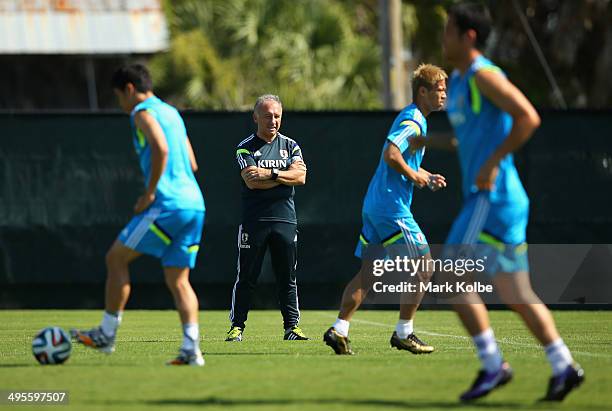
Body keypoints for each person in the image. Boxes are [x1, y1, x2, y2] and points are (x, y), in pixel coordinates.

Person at [426, 2, 584, 401]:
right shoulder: (460, 82)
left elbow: (528, 116)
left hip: (491, 199)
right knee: (516, 292)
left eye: (449, 30)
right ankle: (564, 365)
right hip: (502, 201)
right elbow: (469, 139)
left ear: (469, 36)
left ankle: (493, 365)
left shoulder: (482, 75)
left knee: (448, 274)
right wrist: (427, 141)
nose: (443, 38)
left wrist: (494, 161)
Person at [71, 64, 206, 366]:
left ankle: (106, 334)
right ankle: (191, 349)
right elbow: (193, 163)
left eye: (119, 97)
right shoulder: (172, 112)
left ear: (130, 89)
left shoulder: (142, 113)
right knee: (179, 280)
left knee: (115, 258)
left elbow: (160, 148)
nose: (121, 104)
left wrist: (149, 193)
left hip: (167, 205)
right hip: (195, 204)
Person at [323, 64, 448, 355]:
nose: (443, 95)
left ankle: (339, 329)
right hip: (391, 208)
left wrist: (423, 175)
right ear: (422, 92)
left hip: (375, 206)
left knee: (369, 273)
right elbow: (391, 154)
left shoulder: (414, 118)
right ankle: (404, 333)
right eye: (439, 90)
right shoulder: (415, 120)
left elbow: (402, 159)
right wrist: (415, 176)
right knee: (425, 266)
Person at [227, 94, 308, 342]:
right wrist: (284, 176)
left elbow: (301, 177)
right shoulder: (245, 146)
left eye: (277, 116)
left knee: (288, 277)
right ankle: (237, 327)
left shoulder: (291, 145)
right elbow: (252, 182)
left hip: (285, 221)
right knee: (247, 277)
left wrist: (269, 172)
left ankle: (292, 327)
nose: (273, 121)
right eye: (267, 116)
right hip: (255, 221)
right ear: (255, 117)